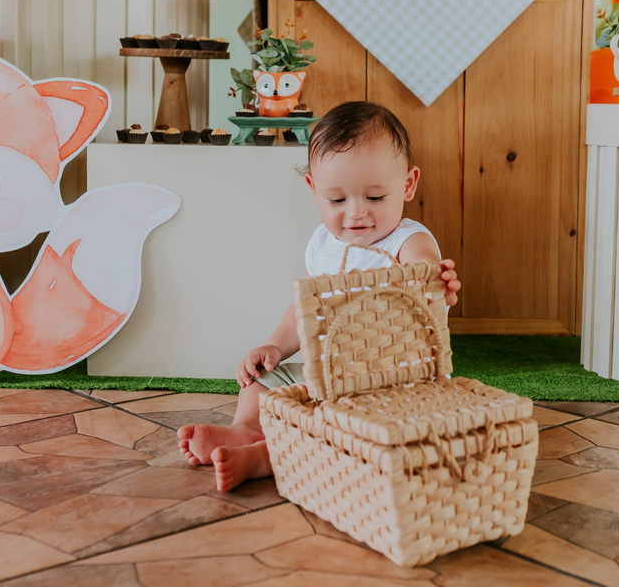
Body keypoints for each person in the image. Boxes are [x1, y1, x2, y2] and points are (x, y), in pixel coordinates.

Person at [176, 101, 462, 491]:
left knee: (347, 423)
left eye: (375, 197)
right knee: (261, 379)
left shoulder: (407, 240)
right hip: (323, 372)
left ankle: (264, 459)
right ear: (314, 190)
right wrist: (275, 346)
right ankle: (244, 430)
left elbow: (425, 272)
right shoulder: (324, 244)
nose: (356, 213)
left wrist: (436, 283)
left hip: (385, 381)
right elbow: (305, 309)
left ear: (407, 185)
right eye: (337, 200)